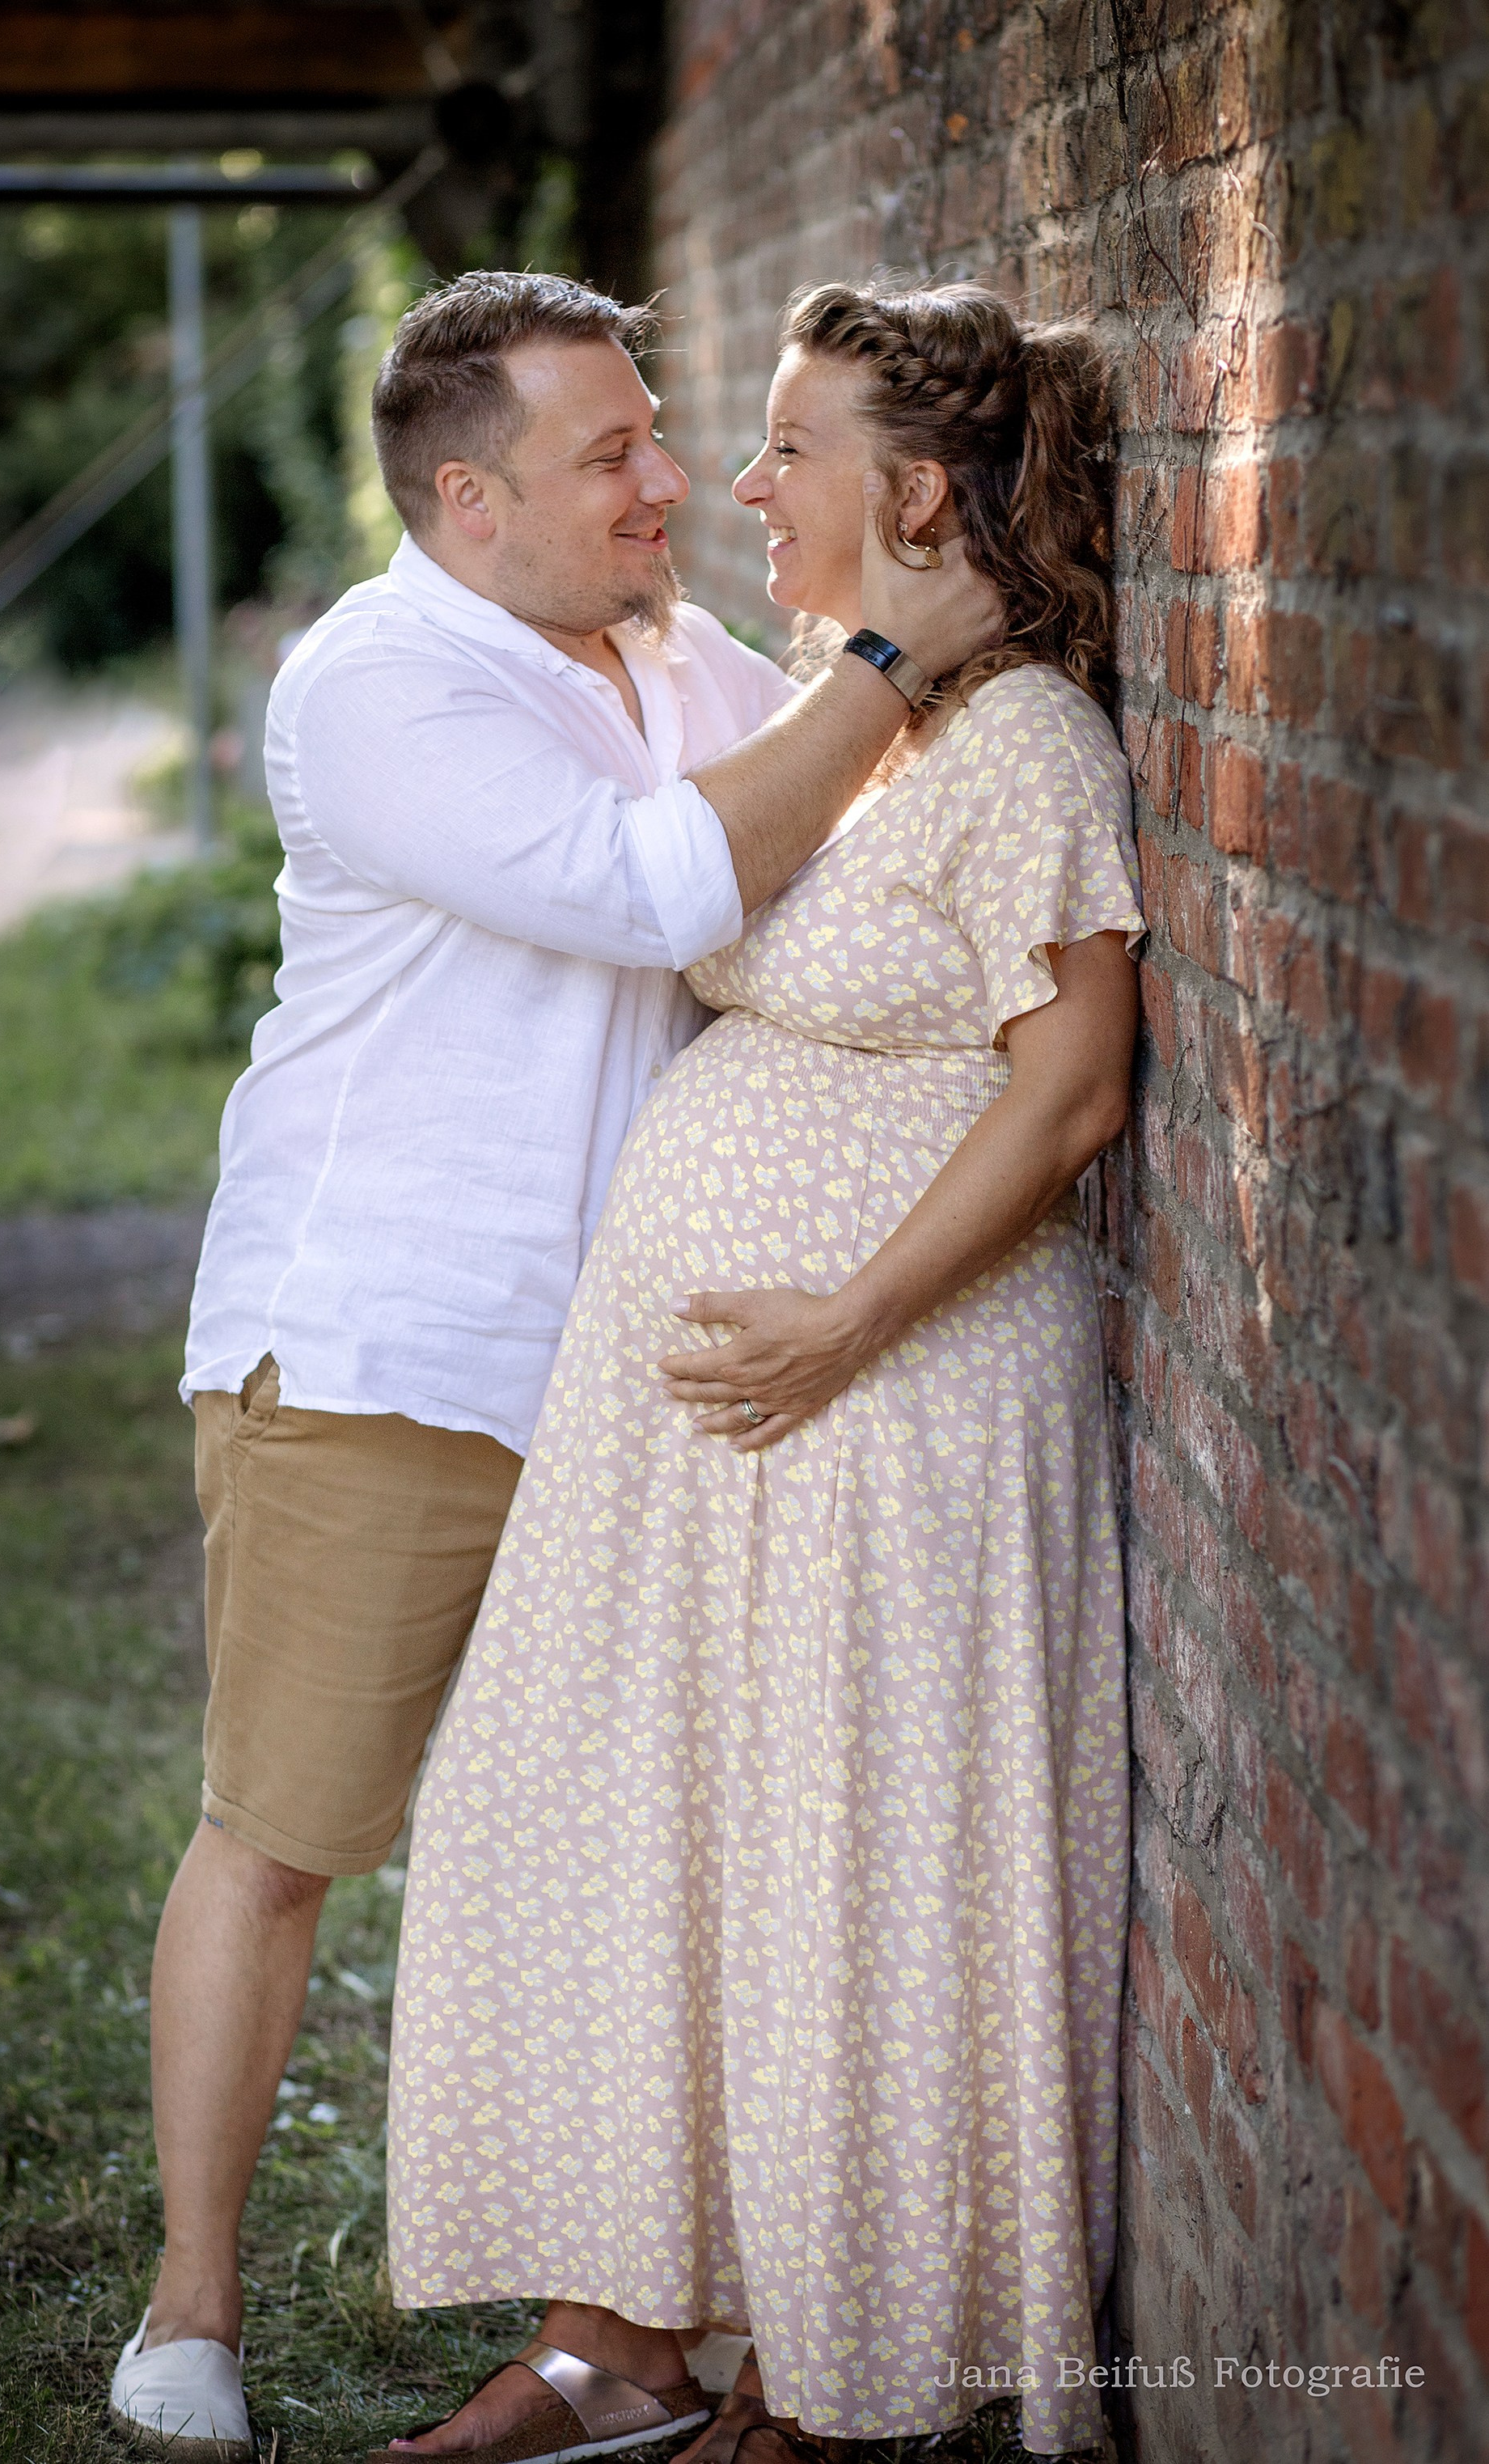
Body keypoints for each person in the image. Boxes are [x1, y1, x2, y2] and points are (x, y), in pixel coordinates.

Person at [108, 269, 1000, 2458]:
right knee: (287, 1832)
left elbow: (813, 865)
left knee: (631, 1849)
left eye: (661, 436)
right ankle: (191, 2314)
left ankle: (629, 2341)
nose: (665, 482)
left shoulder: (672, 654)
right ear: (462, 493)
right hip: (394, 1355)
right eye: (608, 454)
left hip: (631, 1382)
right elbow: (657, 888)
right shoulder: (376, 686)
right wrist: (890, 656)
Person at [380, 279, 1145, 2464]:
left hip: (887, 1407)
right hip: (729, 1433)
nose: (734, 488)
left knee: (855, 1892)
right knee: (691, 1860)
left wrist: (848, 1315)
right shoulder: (843, 701)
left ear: (907, 493)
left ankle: (834, 2378)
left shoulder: (1026, 751)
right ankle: (628, 2329)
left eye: (785, 448)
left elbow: (1073, 1089)